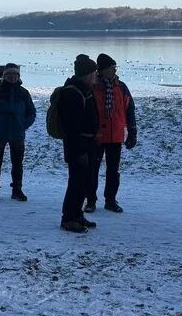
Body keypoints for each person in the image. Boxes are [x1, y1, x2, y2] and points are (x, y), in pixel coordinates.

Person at [88, 54, 137, 213]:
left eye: (114, 68)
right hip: (97, 135)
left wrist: (132, 131)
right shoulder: (93, 87)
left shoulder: (121, 87)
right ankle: (90, 201)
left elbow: (129, 109)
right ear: (102, 70)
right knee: (92, 169)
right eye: (111, 68)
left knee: (113, 170)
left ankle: (110, 200)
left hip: (115, 135)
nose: (114, 71)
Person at [0, 63, 35, 202]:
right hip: (0, 133)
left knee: (17, 163)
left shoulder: (24, 93)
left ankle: (17, 190)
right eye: (10, 74)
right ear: (5, 76)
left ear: (18, 76)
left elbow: (32, 113)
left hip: (17, 134)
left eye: (15, 74)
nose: (13, 76)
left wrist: (23, 125)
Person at [58, 55, 100, 233]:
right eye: (93, 73)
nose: (96, 76)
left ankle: (77, 214)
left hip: (88, 143)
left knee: (85, 182)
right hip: (78, 145)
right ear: (86, 74)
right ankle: (68, 218)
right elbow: (72, 126)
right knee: (76, 182)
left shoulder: (85, 90)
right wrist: (79, 150)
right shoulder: (73, 93)